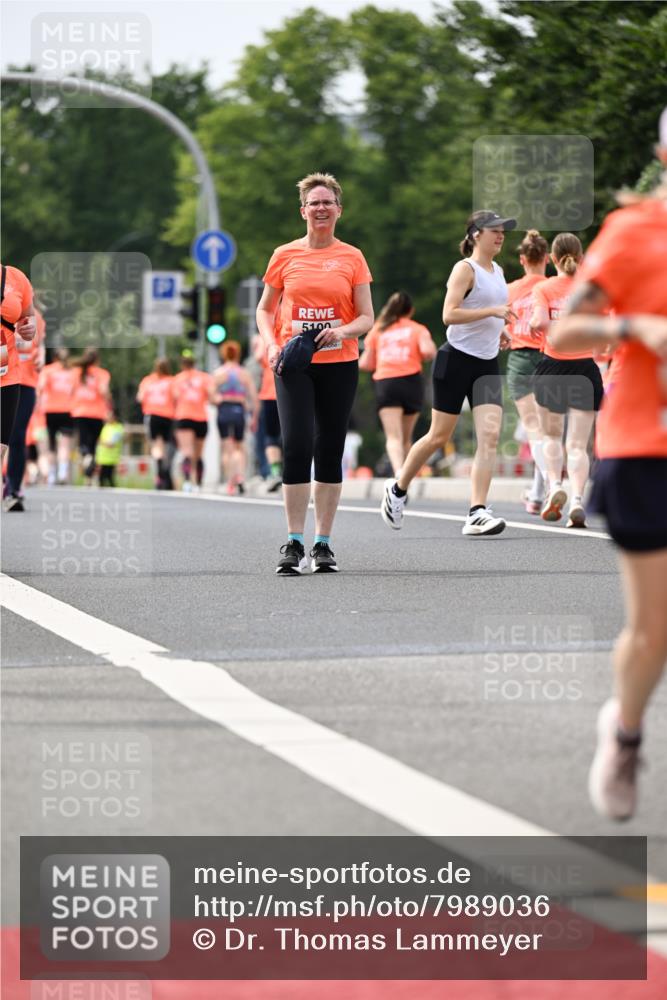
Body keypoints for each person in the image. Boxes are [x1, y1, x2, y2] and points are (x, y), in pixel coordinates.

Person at [549, 112, 667, 821]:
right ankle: (623, 733)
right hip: (644, 448)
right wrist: (631, 326)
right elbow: (564, 332)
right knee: (654, 627)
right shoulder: (632, 233)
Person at [256, 172, 374, 574]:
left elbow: (367, 317)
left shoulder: (352, 257)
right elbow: (264, 309)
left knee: (329, 449)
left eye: (328, 202)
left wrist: (341, 331)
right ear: (302, 210)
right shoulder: (284, 255)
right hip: (294, 362)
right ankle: (293, 540)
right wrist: (271, 344)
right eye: (314, 203)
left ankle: (322, 543)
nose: (320, 208)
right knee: (296, 444)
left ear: (339, 210)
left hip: (339, 362)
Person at [381, 210, 516, 535]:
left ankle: (476, 511)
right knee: (438, 437)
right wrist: (494, 311)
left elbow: (486, 313)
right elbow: (449, 314)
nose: (500, 236)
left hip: (485, 364)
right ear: (474, 235)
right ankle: (398, 489)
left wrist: (499, 329)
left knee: (490, 436)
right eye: (493, 230)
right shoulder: (464, 269)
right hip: (455, 360)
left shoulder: (498, 271)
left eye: (503, 231)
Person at [530, 234, 603, 528]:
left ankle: (554, 486)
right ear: (581, 258)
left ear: (553, 259)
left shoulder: (544, 288)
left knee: (551, 437)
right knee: (578, 445)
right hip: (585, 369)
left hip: (553, 366)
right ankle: (576, 500)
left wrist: (547, 326)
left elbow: (536, 322)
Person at [359, 291, 436, 476]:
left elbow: (365, 363)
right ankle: (406, 478)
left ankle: (398, 471)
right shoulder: (417, 329)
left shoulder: (378, 330)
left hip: (387, 383)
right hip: (411, 382)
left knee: (393, 436)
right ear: (410, 311)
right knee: (406, 438)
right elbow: (429, 352)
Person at [504, 231, 550, 514]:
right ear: (546, 258)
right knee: (547, 431)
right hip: (551, 358)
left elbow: (503, 326)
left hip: (520, 359)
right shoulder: (555, 287)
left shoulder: (509, 290)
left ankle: (551, 485)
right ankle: (537, 493)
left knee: (534, 430)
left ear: (522, 259)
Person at [4, 306, 45, 510]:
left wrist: (41, 359)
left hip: (26, 382)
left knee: (18, 436)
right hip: (3, 380)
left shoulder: (36, 317)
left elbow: (39, 345)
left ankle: (13, 488)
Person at [1, 263, 36, 496]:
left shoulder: (14, 277)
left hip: (6, 372)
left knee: (1, 445)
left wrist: (28, 329)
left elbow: (27, 319)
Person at [212, 340, 259, 495]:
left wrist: (220, 399)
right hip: (239, 409)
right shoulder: (244, 374)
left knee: (227, 448)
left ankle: (230, 481)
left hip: (224, 409)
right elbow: (254, 398)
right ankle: (240, 476)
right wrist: (254, 418)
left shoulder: (219, 373)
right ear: (238, 354)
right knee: (239, 446)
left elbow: (211, 396)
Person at [171, 349, 213, 492]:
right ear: (194, 363)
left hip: (183, 417)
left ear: (182, 364)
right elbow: (211, 396)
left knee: (187, 452)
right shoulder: (204, 378)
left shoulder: (177, 379)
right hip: (200, 417)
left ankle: (188, 482)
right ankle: (199, 483)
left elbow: (174, 397)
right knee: (198, 454)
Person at [70, 348, 112, 485]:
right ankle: (89, 477)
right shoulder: (103, 374)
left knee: (83, 443)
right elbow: (104, 391)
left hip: (80, 411)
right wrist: (110, 405)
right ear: (98, 359)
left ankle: (86, 459)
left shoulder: (76, 372)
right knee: (93, 443)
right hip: (97, 413)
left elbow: (70, 391)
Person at [39, 347, 76, 485]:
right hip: (68, 410)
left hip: (50, 409)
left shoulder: (48, 370)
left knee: (52, 445)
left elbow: (40, 388)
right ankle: (62, 472)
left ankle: (52, 475)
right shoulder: (73, 371)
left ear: (54, 358)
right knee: (65, 444)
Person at [137, 358, 175, 489]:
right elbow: (176, 397)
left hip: (152, 414)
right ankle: (165, 467)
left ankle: (159, 465)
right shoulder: (171, 381)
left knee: (155, 444)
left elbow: (140, 397)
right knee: (165, 444)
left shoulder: (148, 381)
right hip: (168, 415)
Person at [253, 334, 283, 491]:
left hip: (271, 394)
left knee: (271, 436)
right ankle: (282, 472)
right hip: (290, 391)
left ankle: (275, 473)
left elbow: (258, 356)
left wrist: (261, 340)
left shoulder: (266, 337)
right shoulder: (293, 329)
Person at [95, 407, 124, 487]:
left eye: (109, 415)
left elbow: (111, 443)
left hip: (111, 459)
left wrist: (100, 442)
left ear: (115, 416)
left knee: (109, 478)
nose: (107, 417)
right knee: (101, 479)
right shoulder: (105, 427)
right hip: (102, 458)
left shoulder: (119, 428)